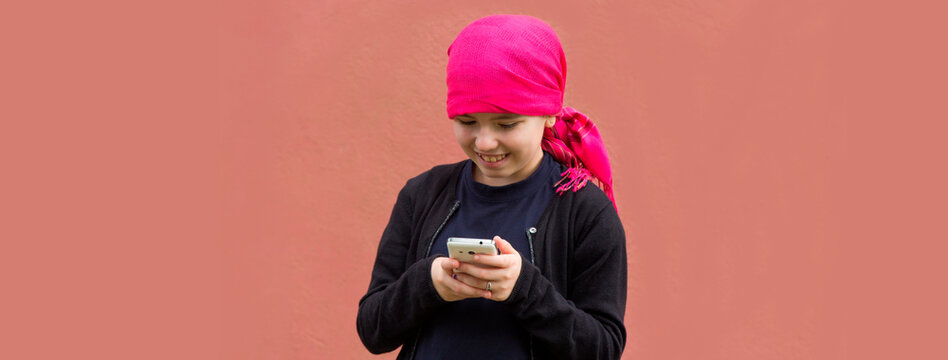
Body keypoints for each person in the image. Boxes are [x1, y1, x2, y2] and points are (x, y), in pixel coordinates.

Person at [357, 14, 627, 360]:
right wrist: (429, 283)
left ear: (548, 113)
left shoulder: (586, 210)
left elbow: (603, 349)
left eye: (506, 123)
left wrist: (524, 289)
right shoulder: (422, 194)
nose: (485, 142)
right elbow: (372, 330)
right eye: (467, 122)